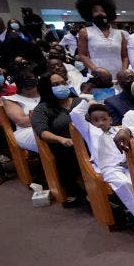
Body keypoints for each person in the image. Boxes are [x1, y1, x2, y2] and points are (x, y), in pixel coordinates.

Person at [69, 102, 134, 223]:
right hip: (109, 168)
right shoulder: (89, 131)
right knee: (124, 183)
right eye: (96, 120)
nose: (100, 123)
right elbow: (75, 113)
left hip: (127, 165)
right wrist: (89, 102)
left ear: (110, 120)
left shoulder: (119, 131)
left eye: (104, 119)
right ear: (90, 122)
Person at [30, 72, 86, 203]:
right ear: (46, 88)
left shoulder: (80, 102)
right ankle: (89, 191)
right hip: (64, 146)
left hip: (87, 141)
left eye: (63, 83)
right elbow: (42, 132)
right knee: (71, 154)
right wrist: (61, 139)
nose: (61, 86)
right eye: (55, 85)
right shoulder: (42, 109)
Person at [75, 0, 129, 80]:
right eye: (95, 11)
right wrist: (96, 70)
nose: (100, 13)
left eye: (103, 11)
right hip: (97, 76)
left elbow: (124, 56)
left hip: (118, 76)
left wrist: (124, 71)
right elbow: (82, 55)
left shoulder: (120, 34)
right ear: (89, 14)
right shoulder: (85, 32)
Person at [1, 67, 42, 153]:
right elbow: (22, 121)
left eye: (29, 78)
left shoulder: (46, 94)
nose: (26, 81)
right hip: (26, 131)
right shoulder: (11, 99)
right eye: (22, 79)